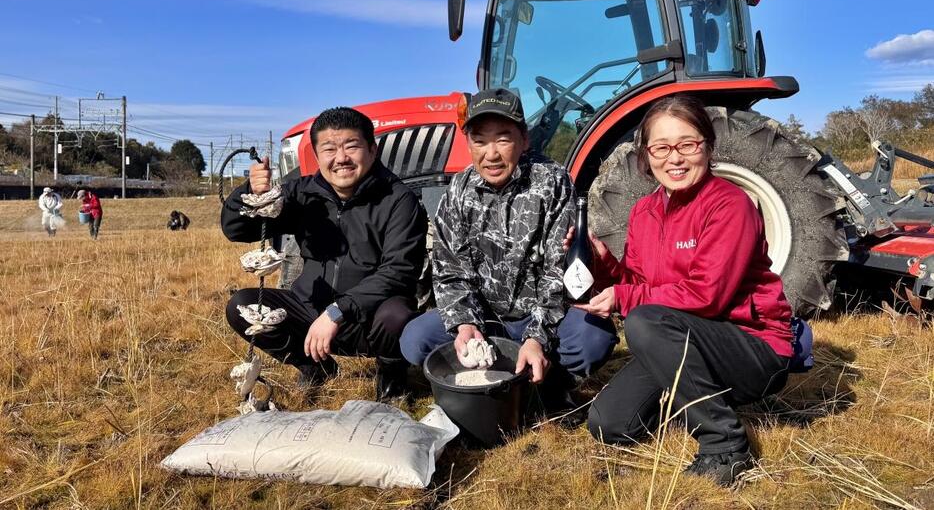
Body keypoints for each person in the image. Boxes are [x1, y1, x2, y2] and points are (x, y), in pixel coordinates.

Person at [577, 95, 792, 486]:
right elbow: (640, 285)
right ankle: (694, 397)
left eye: (687, 144)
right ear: (646, 154)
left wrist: (626, 299)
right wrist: (605, 263)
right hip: (683, 339)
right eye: (661, 147)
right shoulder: (644, 211)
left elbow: (707, 296)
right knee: (609, 424)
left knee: (643, 320)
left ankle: (724, 443)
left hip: (752, 346)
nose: (674, 158)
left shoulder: (730, 205)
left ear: (707, 147)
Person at [400, 88, 618, 414]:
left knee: (593, 338)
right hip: (486, 318)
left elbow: (557, 271)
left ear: (524, 140)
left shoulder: (552, 182)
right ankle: (494, 375)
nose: (491, 154)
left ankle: (552, 384)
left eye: (503, 138)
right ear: (468, 143)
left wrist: (537, 337)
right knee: (414, 340)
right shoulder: (458, 190)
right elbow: (450, 269)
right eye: (479, 141)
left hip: (544, 315)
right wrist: (464, 324)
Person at [222, 107, 427, 401]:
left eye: (351, 146)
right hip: (310, 310)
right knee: (241, 306)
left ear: (372, 149)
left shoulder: (399, 200)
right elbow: (236, 230)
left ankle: (392, 376)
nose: (341, 158)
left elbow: (399, 271)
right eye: (329, 149)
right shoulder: (302, 194)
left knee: (397, 315)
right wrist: (250, 191)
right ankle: (315, 366)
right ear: (317, 156)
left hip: (368, 319)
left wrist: (338, 311)